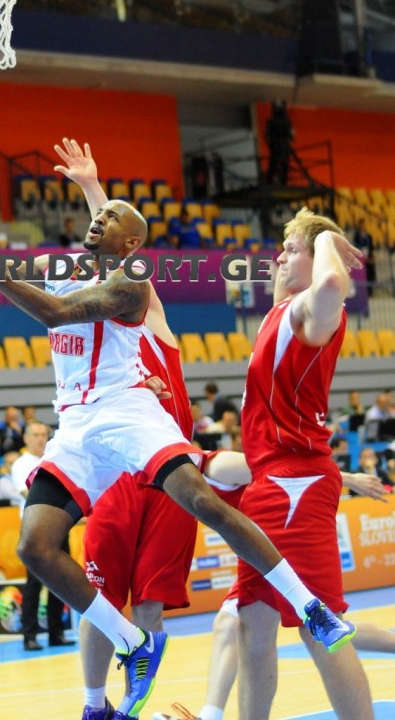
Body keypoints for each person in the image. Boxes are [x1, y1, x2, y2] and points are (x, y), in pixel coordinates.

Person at [0, 164, 357, 719]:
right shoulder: (57, 266)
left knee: (200, 500)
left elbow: (56, 312)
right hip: (76, 424)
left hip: (126, 409)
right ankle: (132, 642)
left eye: (111, 216)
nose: (98, 218)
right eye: (97, 213)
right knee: (34, 546)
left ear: (131, 243)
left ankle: (310, 606)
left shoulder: (132, 282)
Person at [53, 136, 249, 720]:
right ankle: (94, 704)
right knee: (98, 595)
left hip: (168, 476)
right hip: (115, 471)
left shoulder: (148, 316)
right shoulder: (101, 335)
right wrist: (91, 188)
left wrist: (94, 188)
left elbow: (122, 251)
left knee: (151, 606)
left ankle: (129, 710)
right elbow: (107, 254)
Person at [236, 207, 373, 720]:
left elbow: (334, 281)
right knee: (253, 622)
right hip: (267, 482)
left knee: (323, 628)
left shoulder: (313, 315)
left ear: (317, 261)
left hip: (294, 483)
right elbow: (288, 278)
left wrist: (328, 240)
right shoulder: (279, 311)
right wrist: (299, 237)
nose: (280, 258)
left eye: (292, 250)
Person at [152, 475, 390, 720]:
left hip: (280, 536)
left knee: (318, 629)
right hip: (262, 544)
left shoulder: (197, 465)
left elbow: (244, 467)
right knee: (235, 623)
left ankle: (210, 715)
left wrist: (348, 479)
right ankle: (210, 715)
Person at [10, 422, 73, 652]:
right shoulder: (21, 464)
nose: (40, 438)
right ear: (26, 438)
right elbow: (28, 493)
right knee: (34, 583)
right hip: (35, 527)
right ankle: (30, 635)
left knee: (62, 579)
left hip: (59, 524)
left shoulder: (54, 458)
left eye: (44, 434)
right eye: (35, 435)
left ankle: (57, 632)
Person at [264, 100, 293, 185]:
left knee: (274, 164)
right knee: (283, 164)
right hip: (283, 146)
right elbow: (291, 135)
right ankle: (283, 182)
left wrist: (270, 143)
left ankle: (270, 181)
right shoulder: (287, 121)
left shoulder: (271, 121)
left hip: (276, 146)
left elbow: (267, 135)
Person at [353, 219, 376, 297]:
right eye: (362, 224)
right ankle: (363, 291)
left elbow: (371, 247)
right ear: (359, 225)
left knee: (370, 273)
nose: (363, 226)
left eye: (364, 224)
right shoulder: (357, 235)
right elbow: (356, 246)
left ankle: (370, 291)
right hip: (361, 255)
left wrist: (372, 256)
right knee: (363, 273)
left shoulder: (368, 235)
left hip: (368, 255)